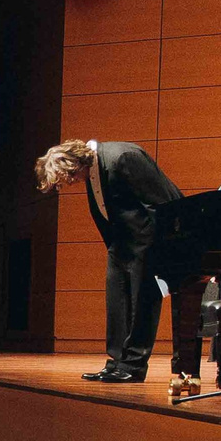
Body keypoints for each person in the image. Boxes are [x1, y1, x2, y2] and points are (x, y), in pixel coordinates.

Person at [35, 136, 187, 383]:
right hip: (121, 245)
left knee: (142, 304)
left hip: (147, 243)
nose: (71, 183)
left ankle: (134, 366)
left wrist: (161, 249)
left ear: (74, 164)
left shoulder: (123, 157)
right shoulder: (94, 168)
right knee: (116, 302)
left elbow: (162, 202)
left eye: (68, 178)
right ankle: (117, 362)